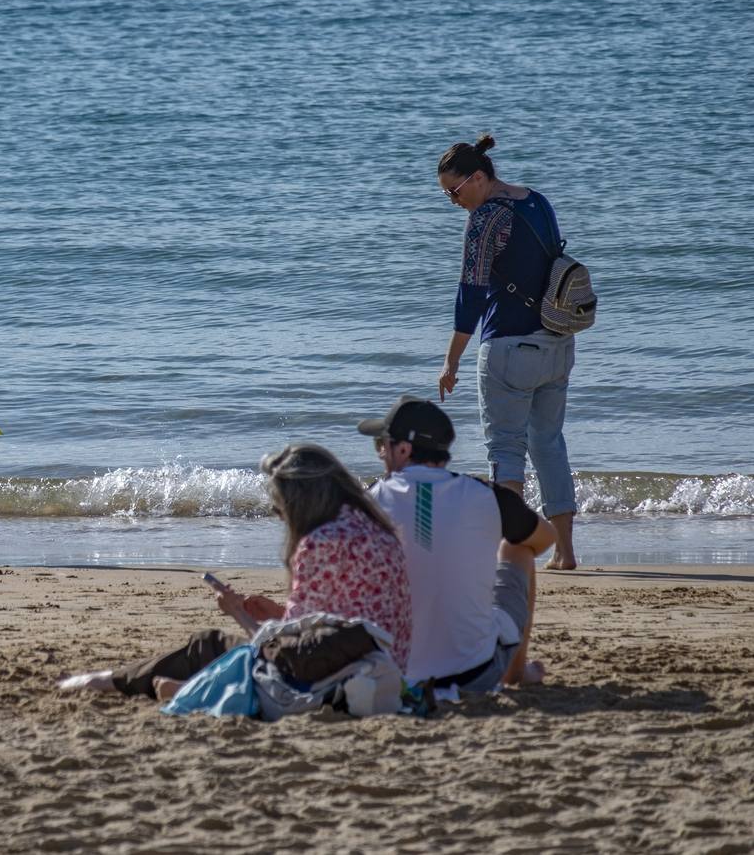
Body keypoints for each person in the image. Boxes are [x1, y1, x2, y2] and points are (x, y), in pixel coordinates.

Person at [59, 443, 412, 700]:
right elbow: (337, 619)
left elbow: (286, 652)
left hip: (340, 674)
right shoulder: (375, 530)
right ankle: (175, 688)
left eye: (280, 507)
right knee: (222, 653)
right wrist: (278, 612)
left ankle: (106, 681)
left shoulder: (319, 542)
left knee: (208, 645)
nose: (279, 515)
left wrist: (239, 613)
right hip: (387, 665)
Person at [436, 134, 580, 570]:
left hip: (509, 348)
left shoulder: (485, 220)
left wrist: (451, 360)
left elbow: (471, 294)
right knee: (550, 444)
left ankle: (514, 555)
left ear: (478, 178)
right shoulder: (538, 202)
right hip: (557, 343)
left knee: (505, 449)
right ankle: (566, 553)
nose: (452, 201)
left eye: (454, 191)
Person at [358, 395, 557, 691]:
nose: (380, 454)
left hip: (394, 674)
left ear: (403, 449)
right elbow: (545, 538)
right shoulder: (484, 495)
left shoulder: (368, 501)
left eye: (381, 445)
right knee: (517, 547)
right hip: (474, 673)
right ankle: (515, 672)